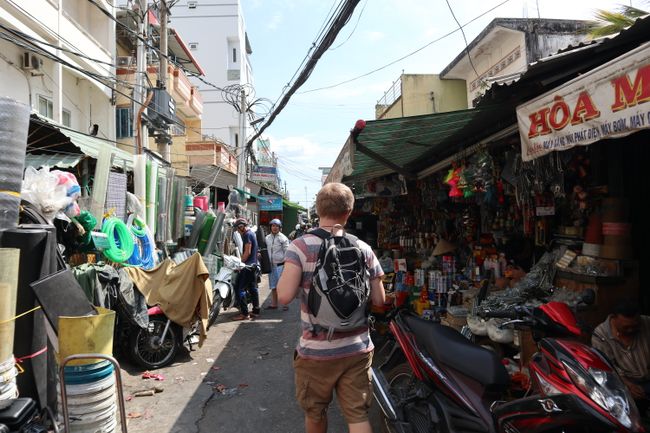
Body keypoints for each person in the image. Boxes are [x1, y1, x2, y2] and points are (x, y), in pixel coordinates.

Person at [277, 182, 386, 433]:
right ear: (349, 212)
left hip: (316, 351)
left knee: (316, 413)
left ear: (317, 209)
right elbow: (380, 301)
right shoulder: (363, 248)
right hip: (357, 348)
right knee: (357, 415)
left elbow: (283, 297)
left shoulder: (300, 246)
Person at [592, 300, 650, 414]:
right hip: (624, 384)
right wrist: (627, 385)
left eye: (635, 326)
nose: (631, 330)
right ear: (614, 318)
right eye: (626, 327)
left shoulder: (647, 323)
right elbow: (608, 368)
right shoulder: (600, 335)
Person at [233, 218, 260, 321]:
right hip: (253, 266)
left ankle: (244, 314)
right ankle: (256, 311)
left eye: (238, 228)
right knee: (253, 288)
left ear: (241, 226)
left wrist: (241, 264)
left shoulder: (247, 235)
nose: (238, 231)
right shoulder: (252, 233)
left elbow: (247, 252)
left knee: (240, 289)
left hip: (247, 267)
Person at [264, 218, 289, 311]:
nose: (274, 228)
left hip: (280, 265)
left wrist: (287, 265)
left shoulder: (283, 238)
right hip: (271, 266)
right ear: (270, 227)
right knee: (273, 286)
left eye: (276, 226)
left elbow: (287, 252)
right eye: (273, 226)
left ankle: (285, 304)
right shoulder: (267, 238)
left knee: (282, 286)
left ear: (280, 227)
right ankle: (274, 304)